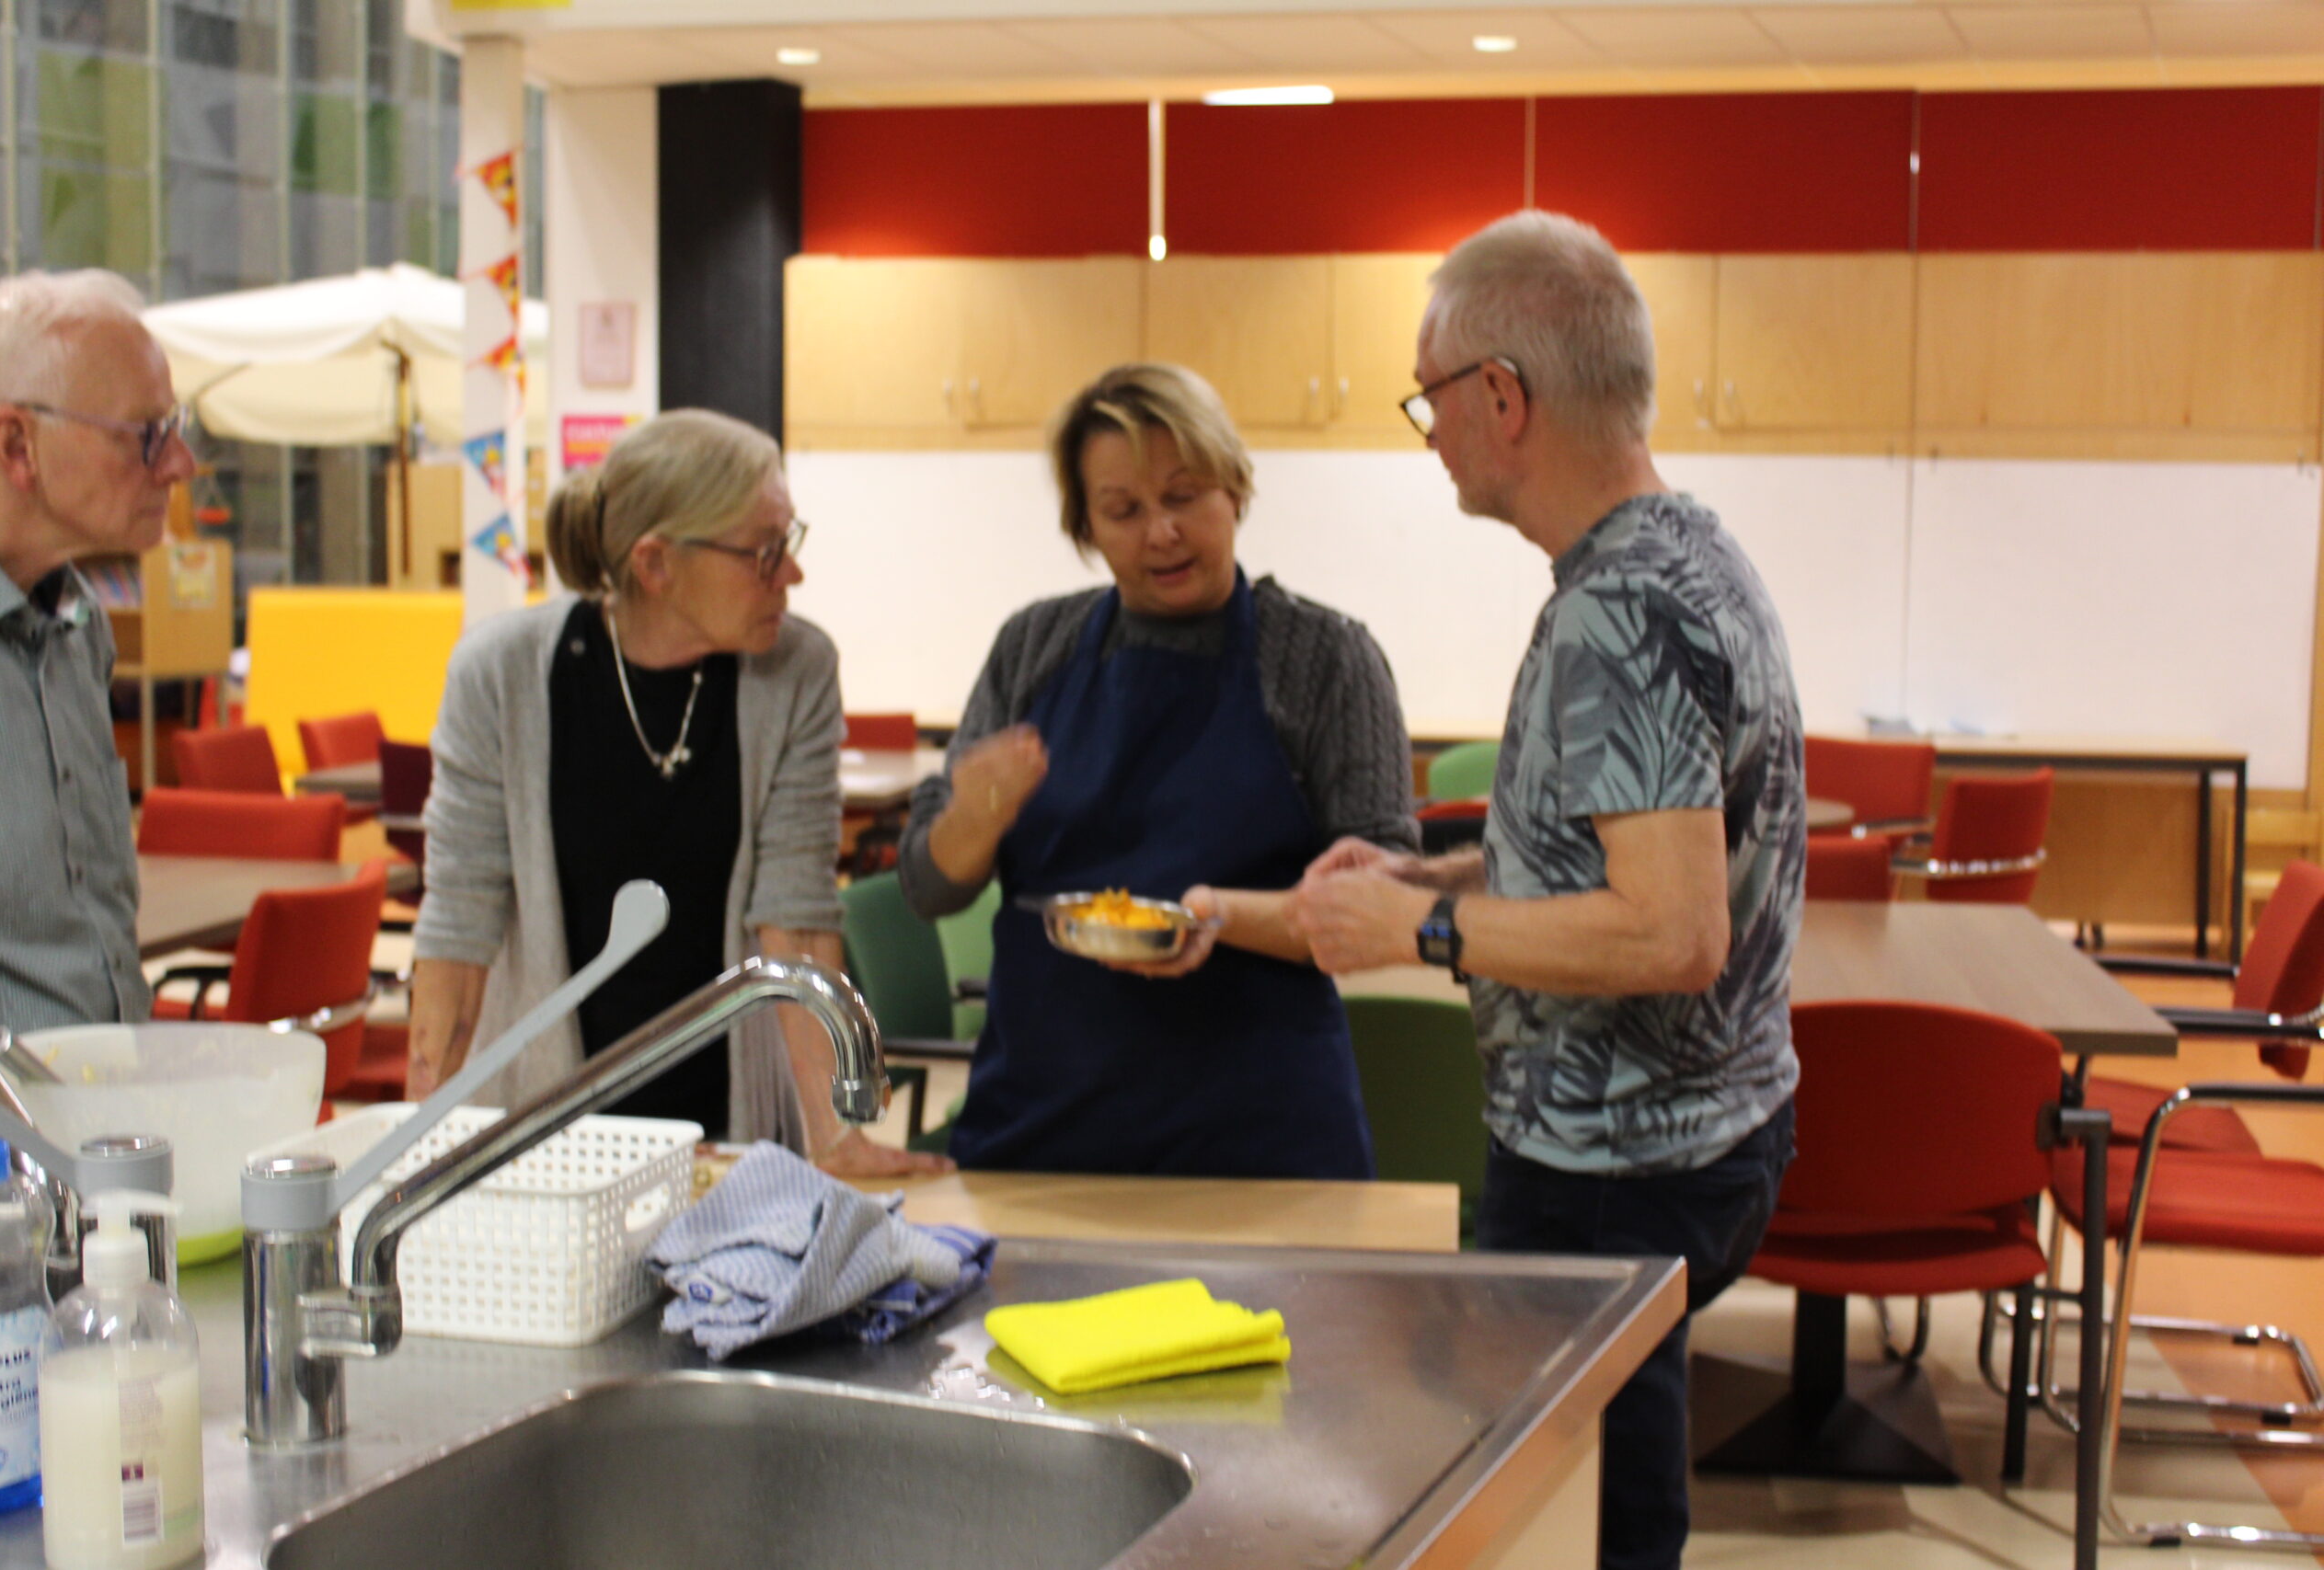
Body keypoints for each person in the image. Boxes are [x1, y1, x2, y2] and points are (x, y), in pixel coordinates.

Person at [1289, 212, 1804, 1570]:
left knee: (1592, 1520)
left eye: (1431, 399)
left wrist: (1421, 926)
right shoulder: (1687, 554)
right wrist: (1436, 867)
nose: (1431, 435)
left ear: (1503, 396)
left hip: (1616, 1160)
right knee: (1607, 1485)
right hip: (1705, 1133)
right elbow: (1639, 852)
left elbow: (1672, 931)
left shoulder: (1612, 615)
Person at [899, 362, 1418, 1178]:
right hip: (1042, 1127)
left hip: (1263, 1138)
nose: (1161, 533)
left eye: (1184, 496)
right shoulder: (1033, 647)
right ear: (1086, 526)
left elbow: (1389, 904)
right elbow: (930, 888)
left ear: (1235, 490)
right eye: (1124, 510)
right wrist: (976, 817)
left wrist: (1215, 919)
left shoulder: (1327, 659)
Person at [408, 408, 945, 1177]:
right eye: (764, 553)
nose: (791, 575)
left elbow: (795, 917)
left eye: (788, 543)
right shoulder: (500, 674)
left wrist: (836, 1137)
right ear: (656, 564)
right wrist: (418, 1152)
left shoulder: (795, 671)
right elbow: (457, 934)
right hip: (540, 1138)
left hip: (727, 1134)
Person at [0, 270, 197, 1037]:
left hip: (103, 1093)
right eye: (145, 433)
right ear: (17, 446)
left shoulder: (78, 627)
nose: (180, 463)